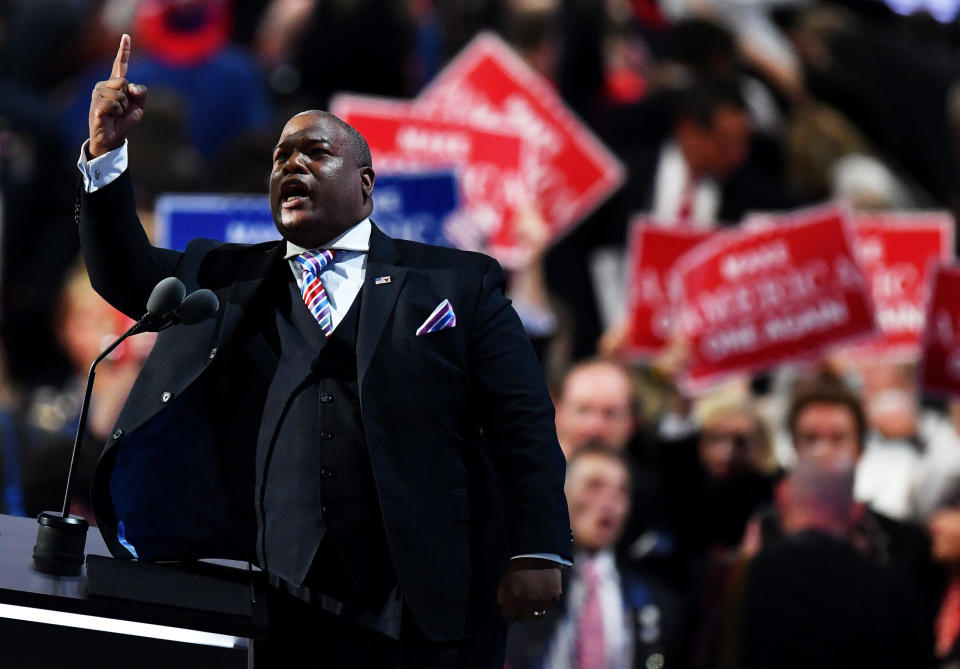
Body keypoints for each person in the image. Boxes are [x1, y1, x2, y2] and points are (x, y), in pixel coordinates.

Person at [77, 35, 572, 667]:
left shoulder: (456, 281)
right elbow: (124, 272)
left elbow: (523, 421)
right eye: (281, 155)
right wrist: (106, 152)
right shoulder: (228, 277)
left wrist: (537, 547)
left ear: (366, 186)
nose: (291, 164)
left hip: (426, 602)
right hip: (277, 598)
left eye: (315, 151)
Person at [505, 445, 682, 669]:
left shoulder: (657, 604)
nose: (610, 502)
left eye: (621, 491)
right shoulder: (514, 587)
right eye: (594, 486)